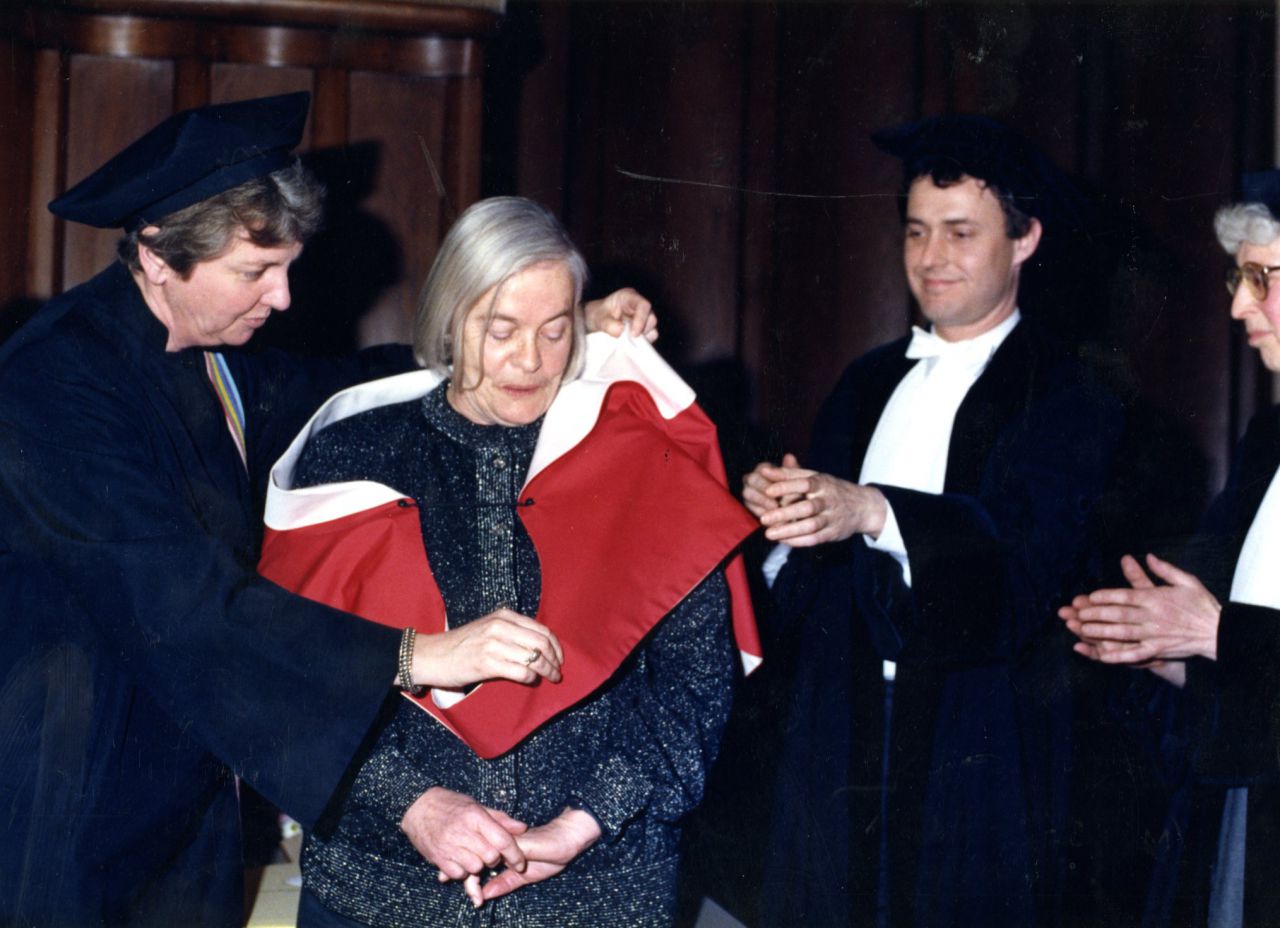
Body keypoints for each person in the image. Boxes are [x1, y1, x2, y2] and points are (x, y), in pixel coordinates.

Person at [0, 94, 654, 927]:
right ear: (160, 255)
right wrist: (417, 654)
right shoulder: (51, 382)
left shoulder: (209, 355)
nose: (280, 299)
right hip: (64, 796)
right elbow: (184, 604)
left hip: (180, 793)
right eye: (254, 272)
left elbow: (351, 385)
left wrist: (556, 332)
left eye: (286, 268)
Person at [254, 195, 757, 927]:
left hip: (599, 888)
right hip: (382, 888)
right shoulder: (354, 452)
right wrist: (410, 805)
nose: (530, 361)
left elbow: (694, 682)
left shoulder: (637, 457)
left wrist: (582, 822)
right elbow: (291, 674)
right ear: (452, 320)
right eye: (502, 330)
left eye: (556, 331)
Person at [741, 115, 1123, 928]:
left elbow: (1028, 565)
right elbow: (805, 577)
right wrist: (779, 518)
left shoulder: (1067, 394)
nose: (930, 258)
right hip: (843, 719)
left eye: (959, 233)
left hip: (981, 728)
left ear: (1025, 241)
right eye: (916, 231)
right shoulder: (867, 379)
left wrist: (873, 510)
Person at [1061, 169, 1280, 927]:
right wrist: (1172, 653)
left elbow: (1237, 633)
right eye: (1236, 277)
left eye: (1261, 278)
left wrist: (1213, 632)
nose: (1238, 304)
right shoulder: (1269, 439)